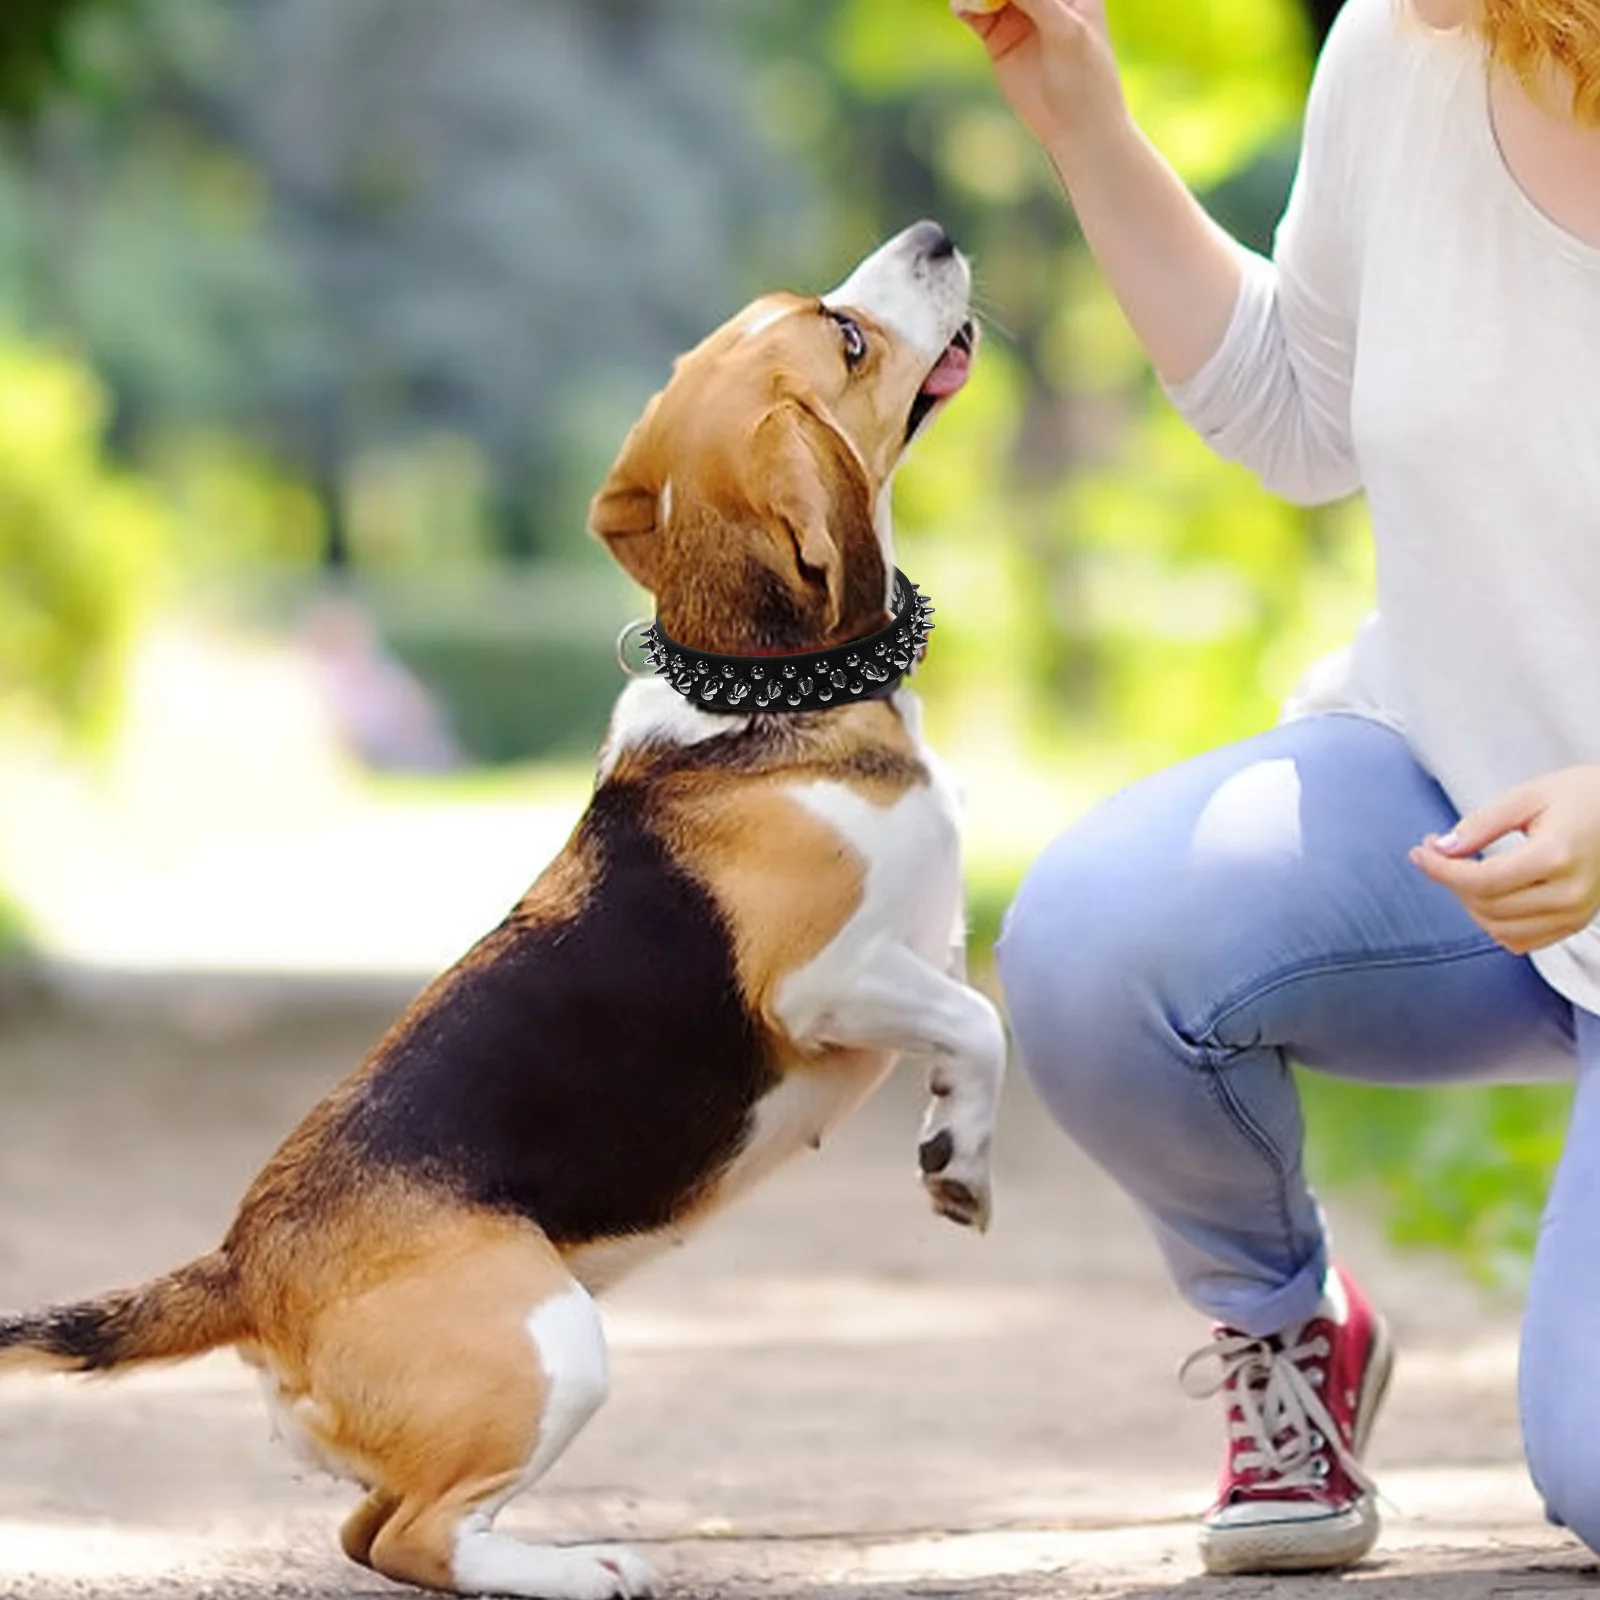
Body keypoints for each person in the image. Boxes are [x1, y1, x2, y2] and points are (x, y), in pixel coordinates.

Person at [956, 0, 1600, 1575]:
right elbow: (1298, 413)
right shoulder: (1404, 46)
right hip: (1469, 815)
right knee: (1102, 944)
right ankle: (1285, 1320)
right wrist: (1085, 126)